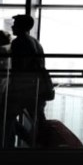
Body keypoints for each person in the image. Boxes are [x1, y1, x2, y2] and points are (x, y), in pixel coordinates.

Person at [7, 14, 50, 146]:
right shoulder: (35, 42)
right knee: (38, 118)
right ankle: (40, 144)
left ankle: (31, 141)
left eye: (15, 24)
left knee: (5, 117)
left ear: (21, 26)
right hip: (37, 86)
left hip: (23, 87)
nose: (12, 26)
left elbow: (20, 66)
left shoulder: (19, 42)